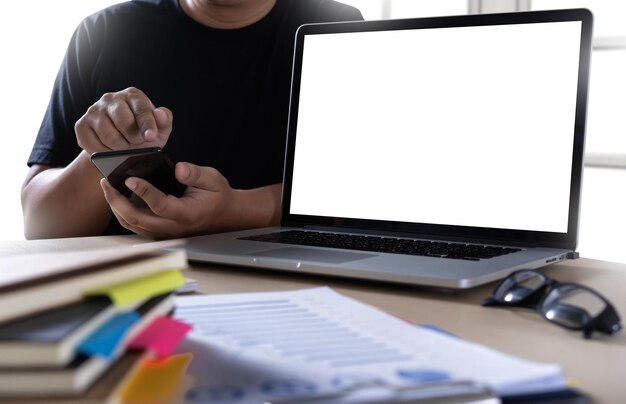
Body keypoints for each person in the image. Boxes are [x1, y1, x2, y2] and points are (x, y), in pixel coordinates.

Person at [21, 0, 363, 240]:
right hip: (130, 290)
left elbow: (361, 203)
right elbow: (40, 225)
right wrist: (106, 152)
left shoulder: (337, 27)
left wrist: (236, 211)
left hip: (286, 278)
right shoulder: (105, 32)